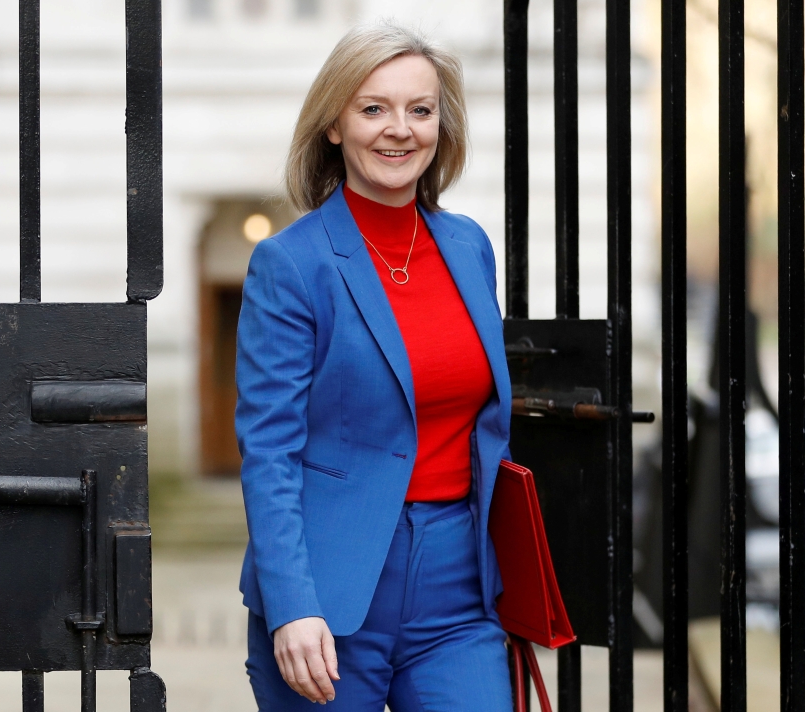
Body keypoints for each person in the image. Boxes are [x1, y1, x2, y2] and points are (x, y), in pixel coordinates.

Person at [236, 21, 513, 711]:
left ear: (441, 125)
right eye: (373, 108)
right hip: (327, 589)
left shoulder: (470, 247)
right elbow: (269, 449)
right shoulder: (291, 263)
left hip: (457, 589)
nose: (400, 129)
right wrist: (292, 604)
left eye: (420, 109)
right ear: (334, 124)